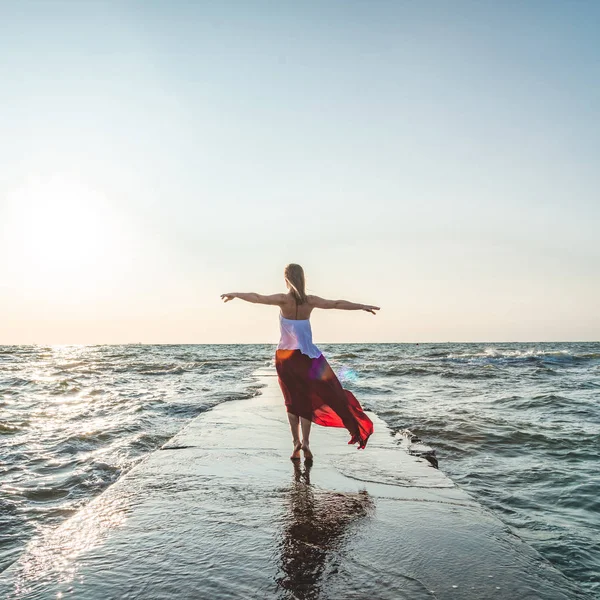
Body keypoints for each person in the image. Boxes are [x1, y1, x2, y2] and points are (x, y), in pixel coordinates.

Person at [221, 263, 378, 462]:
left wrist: (235, 293)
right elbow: (336, 304)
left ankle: (296, 444)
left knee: (292, 402)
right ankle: (306, 443)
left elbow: (257, 298)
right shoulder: (310, 301)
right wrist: (361, 306)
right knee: (309, 400)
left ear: (286, 279)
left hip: (286, 359)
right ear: (303, 279)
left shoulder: (283, 300)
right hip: (308, 358)